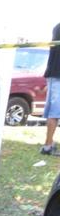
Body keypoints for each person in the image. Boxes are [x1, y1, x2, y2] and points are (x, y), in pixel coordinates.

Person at [40, 22, 60, 155]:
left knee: (54, 113)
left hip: (54, 74)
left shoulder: (57, 27)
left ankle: (48, 144)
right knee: (55, 113)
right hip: (57, 75)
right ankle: (47, 146)